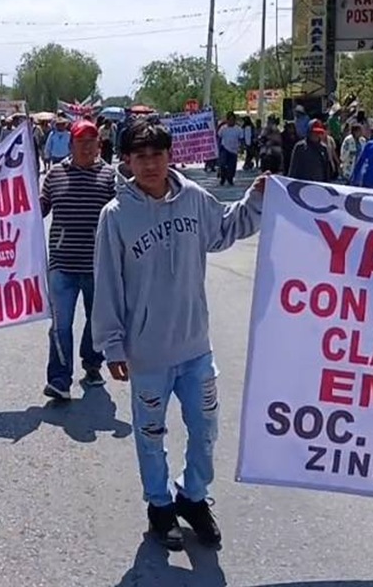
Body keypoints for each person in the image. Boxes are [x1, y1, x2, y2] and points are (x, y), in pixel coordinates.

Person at [93, 119, 266, 552]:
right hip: (146, 352)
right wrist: (112, 344)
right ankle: (160, 507)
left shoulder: (194, 199)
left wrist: (257, 198)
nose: (150, 164)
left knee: (206, 428)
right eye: (140, 157)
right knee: (151, 437)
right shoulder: (115, 216)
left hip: (195, 347)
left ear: (170, 156)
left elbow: (227, 229)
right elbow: (108, 284)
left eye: (157, 155)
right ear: (127, 161)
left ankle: (192, 498)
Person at [39, 119, 117, 401]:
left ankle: (92, 363)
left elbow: (122, 218)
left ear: (99, 145)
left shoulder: (110, 177)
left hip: (98, 266)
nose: (86, 148)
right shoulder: (55, 175)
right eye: (81, 142)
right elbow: (40, 209)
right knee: (60, 326)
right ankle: (59, 379)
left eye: (91, 142)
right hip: (62, 265)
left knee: (97, 321)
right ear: (70, 145)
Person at [215, 114, 243, 186]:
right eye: (230, 120)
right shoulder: (223, 128)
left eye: (233, 120)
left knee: (232, 166)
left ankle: (230, 179)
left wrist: (242, 148)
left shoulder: (238, 129)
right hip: (224, 148)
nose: (231, 121)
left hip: (234, 150)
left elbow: (241, 139)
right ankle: (222, 178)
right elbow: (219, 137)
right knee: (223, 164)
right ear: (227, 120)